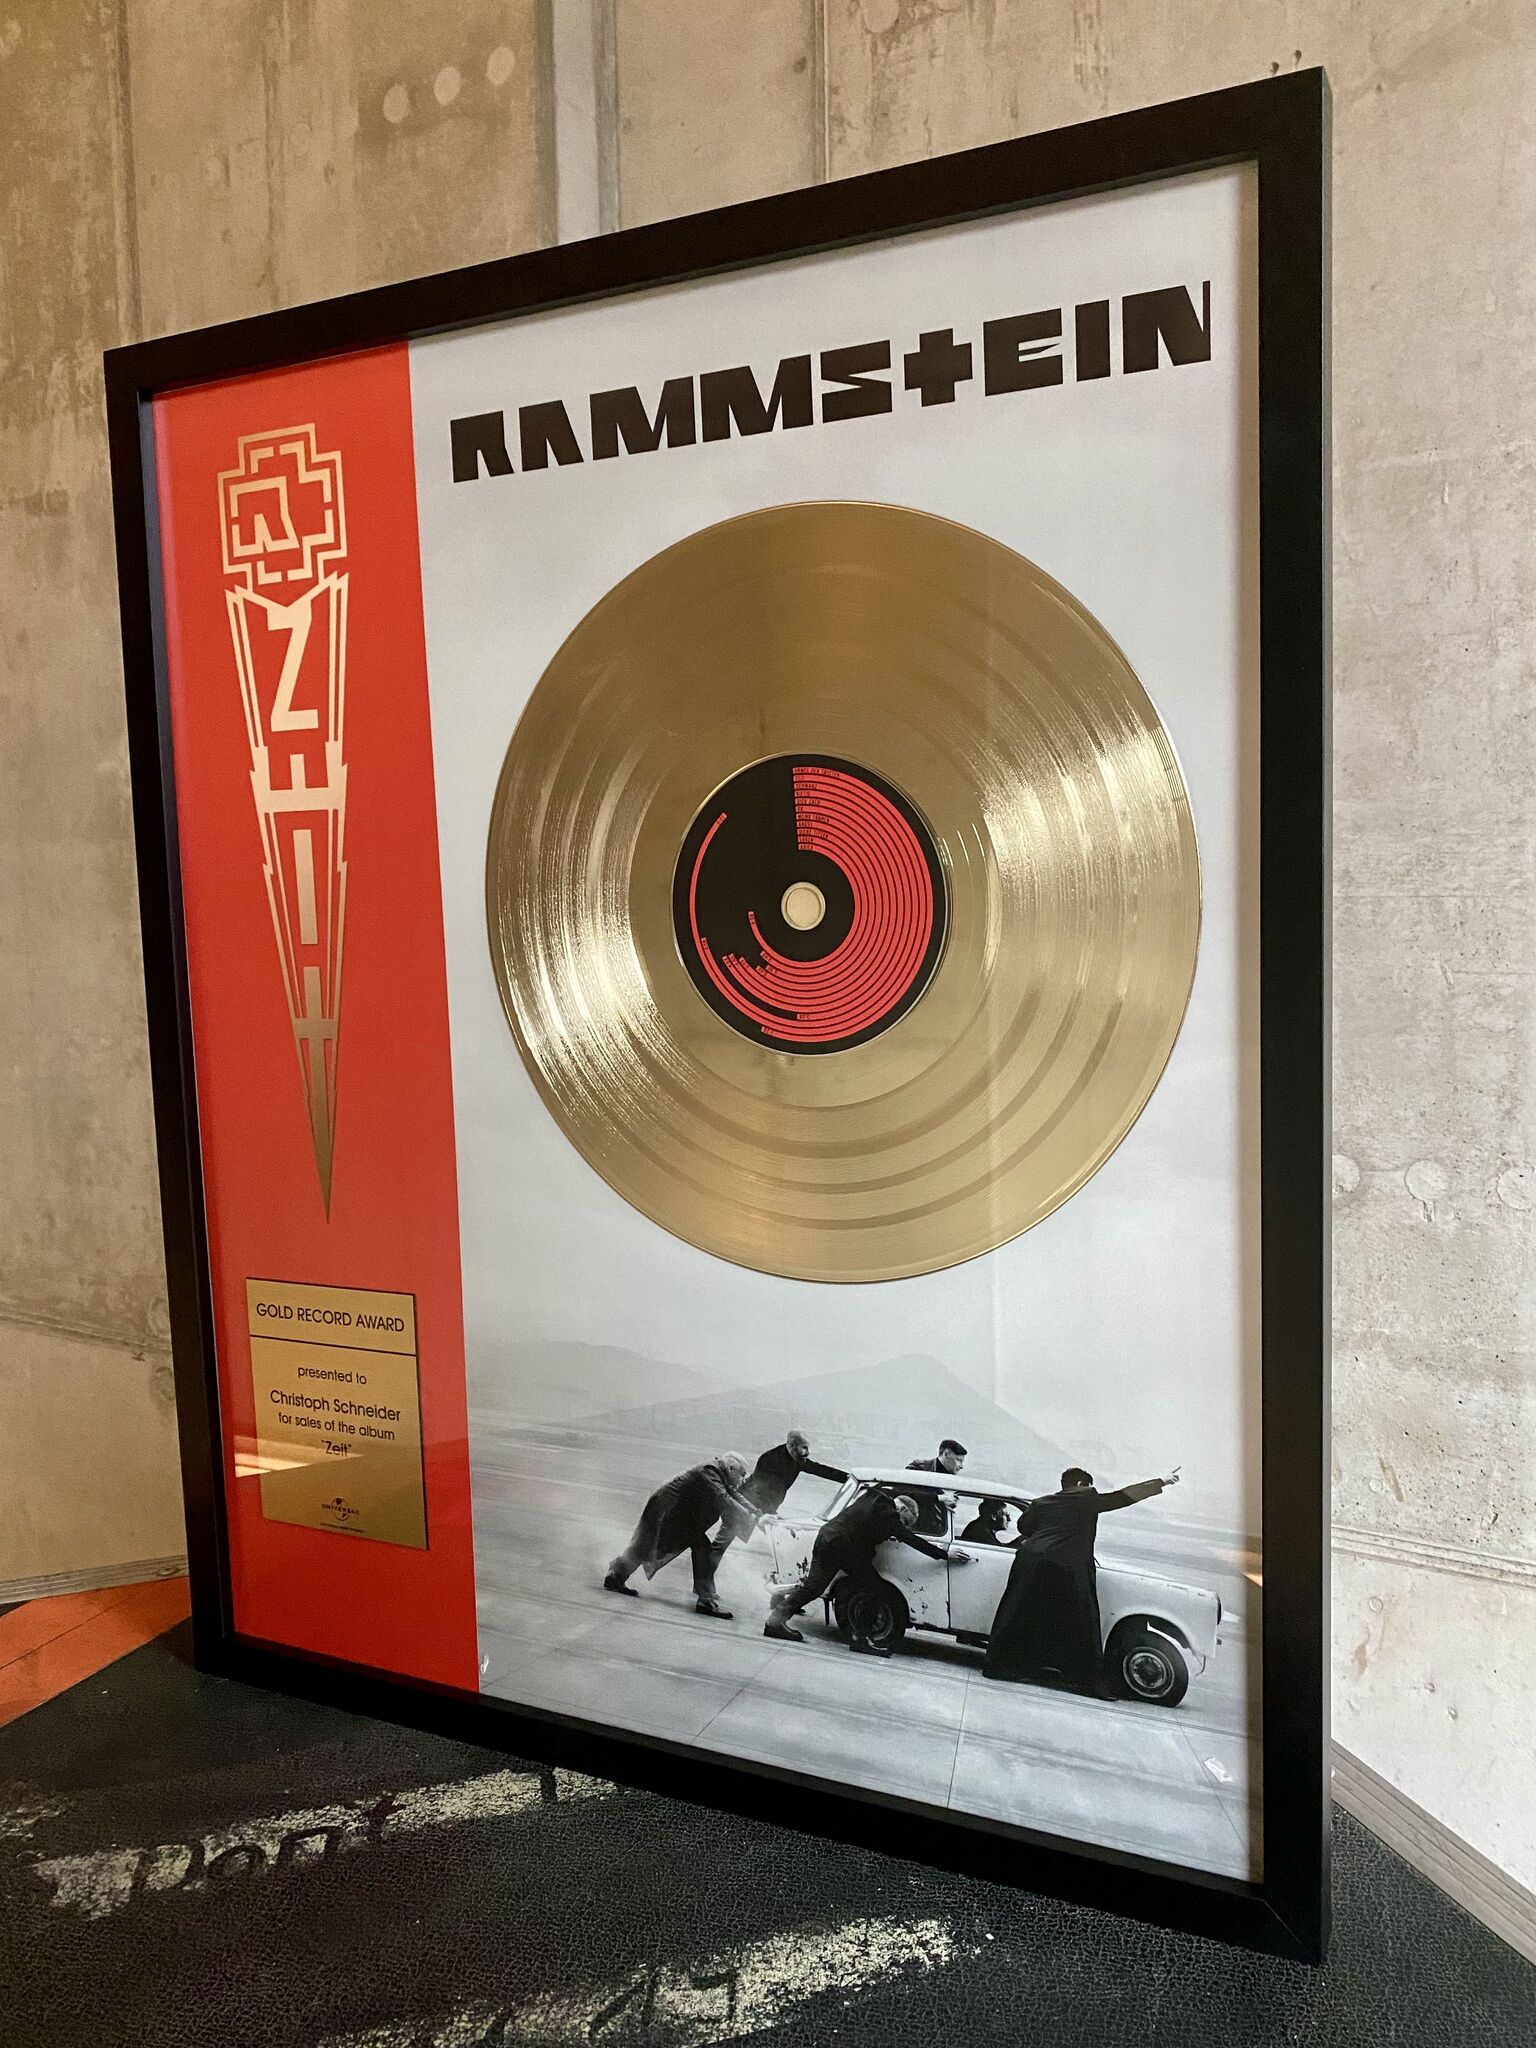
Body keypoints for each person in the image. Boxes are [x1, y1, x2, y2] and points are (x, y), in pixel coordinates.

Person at [982, 1465, 1181, 1694]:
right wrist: (1161, 1481)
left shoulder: (1042, 1502)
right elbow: (1123, 1497)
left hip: (1030, 1562)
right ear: (1080, 1484)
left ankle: (1002, 1667)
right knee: (1082, 1619)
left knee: (1018, 1612)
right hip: (1068, 1565)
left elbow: (1023, 1526)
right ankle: (1082, 1680)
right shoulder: (1086, 1499)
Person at [764, 1489, 971, 1657]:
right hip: (842, 1547)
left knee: (814, 1587)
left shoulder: (878, 1494)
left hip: (827, 1537)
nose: (903, 1526)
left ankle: (774, 1621)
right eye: (906, 1521)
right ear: (902, 1510)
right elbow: (912, 1539)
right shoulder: (890, 1517)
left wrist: (936, 1499)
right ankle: (860, 1640)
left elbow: (909, 1494)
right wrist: (945, 1554)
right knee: (876, 1589)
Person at [604, 1454, 756, 1618]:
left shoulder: (719, 1472)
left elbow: (732, 1493)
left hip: (672, 1508)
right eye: (742, 1474)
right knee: (701, 1547)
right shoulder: (710, 1470)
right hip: (668, 1508)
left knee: (646, 1544)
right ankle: (705, 1600)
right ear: (731, 1468)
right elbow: (723, 1496)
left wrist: (755, 1511)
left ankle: (616, 1575)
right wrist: (748, 1514)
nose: (742, 1478)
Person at [707, 1430, 848, 1576]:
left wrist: (848, 1477)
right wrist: (769, 1515)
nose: (807, 1452)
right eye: (804, 1447)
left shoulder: (797, 1459)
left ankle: (786, 1575)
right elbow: (760, 1492)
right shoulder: (768, 1459)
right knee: (720, 1545)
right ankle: (703, 1579)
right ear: (792, 1446)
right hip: (744, 1506)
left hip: (764, 1509)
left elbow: (819, 1469)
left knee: (781, 1542)